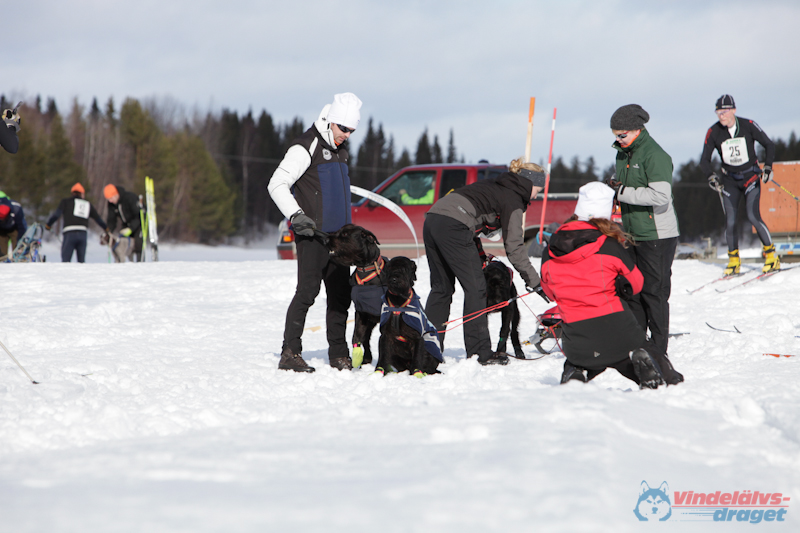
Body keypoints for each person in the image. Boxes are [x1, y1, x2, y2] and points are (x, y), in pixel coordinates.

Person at [540, 182, 683, 388]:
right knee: (638, 349)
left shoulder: (551, 248)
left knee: (588, 355)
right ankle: (663, 377)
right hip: (616, 329)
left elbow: (550, 293)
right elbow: (636, 284)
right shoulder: (609, 244)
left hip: (575, 337)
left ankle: (576, 370)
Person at [267, 92, 362, 372]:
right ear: (330, 121)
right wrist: (296, 216)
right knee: (307, 293)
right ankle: (290, 353)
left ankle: (339, 354)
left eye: (351, 130)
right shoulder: (305, 145)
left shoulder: (340, 151)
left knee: (340, 295)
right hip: (312, 236)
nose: (346, 134)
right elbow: (277, 183)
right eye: (343, 128)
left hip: (340, 240)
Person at [423, 157, 548, 366]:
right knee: (477, 288)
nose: (537, 195)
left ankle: (428, 350)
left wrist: (479, 254)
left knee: (441, 289)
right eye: (539, 189)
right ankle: (480, 353)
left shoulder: (496, 185)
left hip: (434, 218)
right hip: (454, 225)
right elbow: (515, 248)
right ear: (531, 183)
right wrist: (536, 282)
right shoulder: (514, 198)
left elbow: (471, 220)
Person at [608, 104, 679, 357]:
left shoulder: (654, 155)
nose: (618, 139)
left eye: (622, 134)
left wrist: (622, 192)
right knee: (632, 289)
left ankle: (658, 350)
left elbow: (661, 196)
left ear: (637, 130)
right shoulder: (623, 153)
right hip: (632, 233)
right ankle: (638, 343)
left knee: (654, 292)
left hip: (657, 234)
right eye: (615, 134)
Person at [700, 94, 778, 275]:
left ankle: (772, 256)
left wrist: (767, 167)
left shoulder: (748, 125)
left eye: (725, 111)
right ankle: (734, 260)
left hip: (750, 177)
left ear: (734, 110)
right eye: (718, 112)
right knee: (730, 221)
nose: (722, 116)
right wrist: (710, 176)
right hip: (729, 180)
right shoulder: (713, 132)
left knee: (753, 216)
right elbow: (704, 160)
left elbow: (769, 144)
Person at [45, 182, 108, 262]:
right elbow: (98, 219)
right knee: (81, 262)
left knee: (66, 262)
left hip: (69, 234)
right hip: (82, 234)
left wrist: (48, 224)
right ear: (82, 194)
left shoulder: (65, 202)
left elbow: (57, 215)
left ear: (73, 193)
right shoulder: (87, 204)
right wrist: (106, 228)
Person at [104, 184, 144, 262]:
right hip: (126, 225)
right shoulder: (112, 204)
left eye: (111, 198)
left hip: (138, 224)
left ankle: (140, 263)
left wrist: (131, 228)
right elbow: (111, 219)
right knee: (121, 243)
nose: (110, 201)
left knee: (138, 244)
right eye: (108, 199)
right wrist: (109, 231)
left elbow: (138, 216)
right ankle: (122, 263)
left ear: (115, 194)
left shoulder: (129, 197)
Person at [0, 191, 27, 258]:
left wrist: (19, 241)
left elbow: (22, 227)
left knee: (17, 249)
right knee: (2, 255)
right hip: (2, 230)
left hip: (15, 229)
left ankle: (18, 261)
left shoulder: (16, 210)